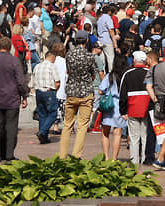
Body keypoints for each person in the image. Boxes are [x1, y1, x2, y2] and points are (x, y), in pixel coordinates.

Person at [0, 37, 28, 162]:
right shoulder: (14, 61)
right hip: (11, 98)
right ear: (10, 47)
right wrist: (24, 96)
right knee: (11, 127)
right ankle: (9, 155)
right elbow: (20, 81)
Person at [58, 30, 97, 159]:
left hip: (71, 92)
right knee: (82, 126)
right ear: (86, 41)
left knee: (67, 125)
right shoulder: (90, 56)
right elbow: (93, 74)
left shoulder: (69, 55)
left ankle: (62, 155)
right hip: (85, 93)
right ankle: (76, 155)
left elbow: (69, 71)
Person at [119, 50, 155, 170]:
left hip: (132, 108)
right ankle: (145, 159)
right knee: (145, 136)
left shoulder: (128, 74)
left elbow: (122, 94)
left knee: (134, 137)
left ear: (134, 61)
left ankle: (134, 161)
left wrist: (122, 111)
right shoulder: (150, 72)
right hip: (147, 108)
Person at [98, 55, 129, 160]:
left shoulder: (110, 76)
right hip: (121, 106)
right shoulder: (126, 76)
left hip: (109, 107)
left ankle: (106, 157)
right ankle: (114, 158)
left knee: (105, 133)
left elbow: (100, 90)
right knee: (117, 134)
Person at [30, 49, 60, 144]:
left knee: (42, 114)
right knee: (53, 113)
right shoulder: (52, 66)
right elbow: (57, 82)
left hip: (39, 92)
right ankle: (42, 132)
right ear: (52, 57)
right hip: (49, 91)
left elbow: (32, 81)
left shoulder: (37, 66)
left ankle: (44, 138)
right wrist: (55, 91)